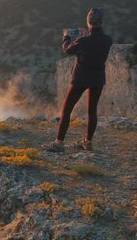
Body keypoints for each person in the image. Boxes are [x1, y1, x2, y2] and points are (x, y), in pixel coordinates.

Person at [43, 8, 113, 152]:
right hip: (98, 79)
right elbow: (95, 44)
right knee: (92, 111)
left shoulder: (83, 41)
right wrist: (85, 36)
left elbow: (68, 50)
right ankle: (88, 142)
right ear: (101, 22)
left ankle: (59, 143)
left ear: (88, 22)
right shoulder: (108, 40)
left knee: (67, 109)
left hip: (81, 78)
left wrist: (66, 37)